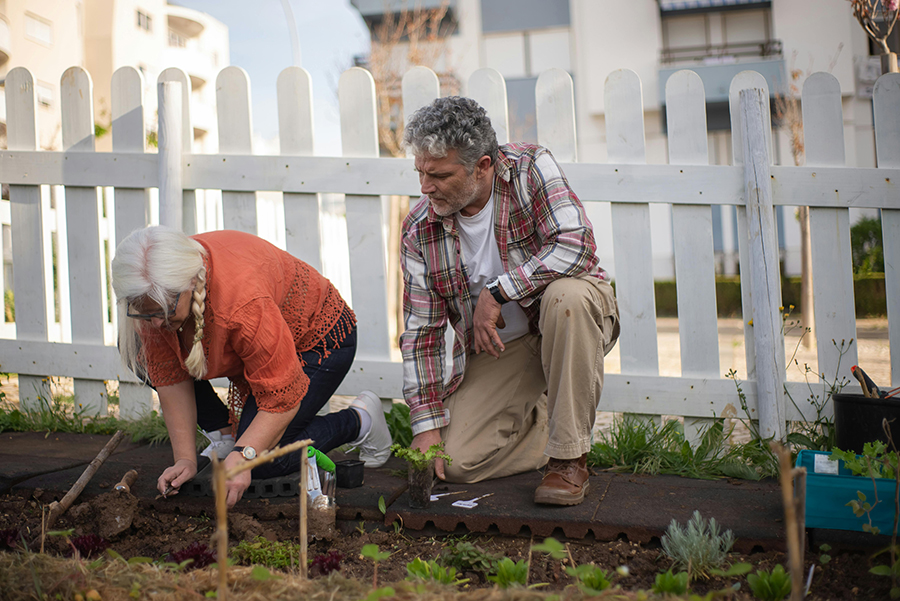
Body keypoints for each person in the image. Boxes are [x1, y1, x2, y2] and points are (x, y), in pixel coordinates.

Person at [400, 96, 619, 506]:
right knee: (456, 463)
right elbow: (422, 333)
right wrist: (425, 424)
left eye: (440, 175)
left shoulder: (531, 169)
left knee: (565, 296)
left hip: (571, 319)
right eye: (420, 172)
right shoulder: (419, 230)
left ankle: (569, 458)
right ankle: (547, 421)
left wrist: (498, 291)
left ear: (483, 165)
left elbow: (578, 245)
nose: (425, 187)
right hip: (505, 349)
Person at [111, 226, 391, 508]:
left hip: (317, 340)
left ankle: (360, 421)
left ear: (191, 284)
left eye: (164, 311)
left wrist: (245, 456)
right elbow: (171, 378)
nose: (156, 323)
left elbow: (280, 399)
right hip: (262, 336)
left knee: (262, 464)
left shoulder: (241, 302)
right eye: (146, 312)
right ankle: (225, 435)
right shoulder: (158, 292)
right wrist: (185, 458)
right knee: (136, 349)